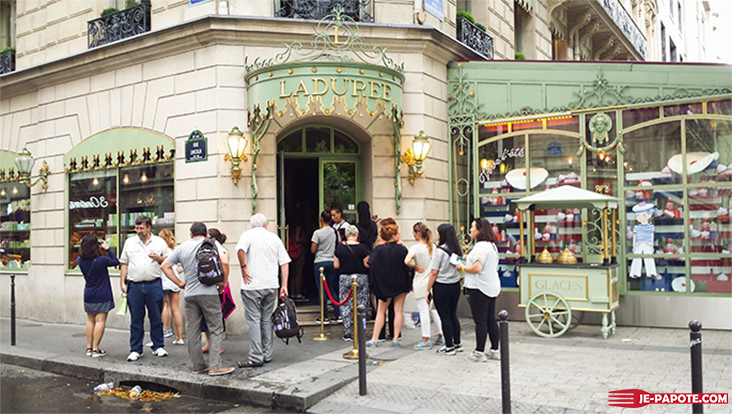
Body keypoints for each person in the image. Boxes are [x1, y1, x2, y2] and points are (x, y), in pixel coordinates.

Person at [161, 222, 235, 376]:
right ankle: (215, 366)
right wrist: (223, 283)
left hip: (190, 294)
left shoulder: (182, 247)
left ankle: (198, 365)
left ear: (191, 233)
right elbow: (225, 262)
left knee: (193, 331)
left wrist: (179, 282)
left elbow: (165, 266)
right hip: (209, 293)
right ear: (206, 234)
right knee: (215, 328)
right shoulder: (211, 244)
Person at [236, 214, 290, 368]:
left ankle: (256, 355)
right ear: (265, 225)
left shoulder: (247, 235)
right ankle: (267, 353)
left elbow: (240, 250)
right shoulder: (274, 238)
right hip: (271, 284)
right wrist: (284, 284)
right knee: (266, 319)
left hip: (251, 285)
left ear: (252, 225)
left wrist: (243, 267)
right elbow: (285, 262)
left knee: (253, 319)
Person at [120, 216, 171, 362]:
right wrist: (122, 282)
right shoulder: (130, 242)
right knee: (136, 319)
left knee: (156, 317)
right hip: (134, 285)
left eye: (141, 228)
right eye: (137, 228)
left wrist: (158, 258)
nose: (138, 231)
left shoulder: (159, 242)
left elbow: (168, 261)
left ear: (149, 228)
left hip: (153, 284)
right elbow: (124, 263)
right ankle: (136, 349)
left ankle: (158, 346)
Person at [457, 218, 500, 362]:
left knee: (480, 321)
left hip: (479, 287)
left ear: (480, 230)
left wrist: (462, 267)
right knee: (490, 319)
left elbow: (476, 268)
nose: (470, 230)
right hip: (490, 285)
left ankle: (479, 352)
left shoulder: (481, 247)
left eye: (473, 227)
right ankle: (494, 350)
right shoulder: (491, 246)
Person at [366, 220, 411, 347]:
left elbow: (371, 265)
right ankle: (396, 338)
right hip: (400, 282)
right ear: (393, 235)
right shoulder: (402, 249)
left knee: (381, 311)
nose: (399, 235)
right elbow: (408, 267)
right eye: (398, 233)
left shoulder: (378, 250)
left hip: (384, 284)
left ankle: (375, 338)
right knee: (398, 310)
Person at [77, 235, 119, 357]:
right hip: (102, 293)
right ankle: (96, 348)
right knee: (100, 321)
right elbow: (116, 261)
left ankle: (89, 347)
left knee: (90, 320)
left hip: (88, 293)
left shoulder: (80, 260)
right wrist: (107, 249)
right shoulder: (101, 260)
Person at [404, 222, 443, 351]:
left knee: (423, 310)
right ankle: (441, 334)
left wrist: (415, 266)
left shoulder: (415, 248)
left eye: (414, 233)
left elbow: (406, 261)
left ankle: (425, 338)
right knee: (434, 310)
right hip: (432, 281)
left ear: (418, 233)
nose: (413, 235)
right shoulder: (434, 247)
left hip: (421, 282)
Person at [427, 223, 463, 356]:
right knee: (453, 314)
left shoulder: (439, 251)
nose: (436, 235)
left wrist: (427, 289)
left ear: (442, 235)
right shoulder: (457, 249)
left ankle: (448, 346)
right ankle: (457, 343)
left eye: (438, 233)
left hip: (441, 286)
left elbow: (433, 272)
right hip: (454, 285)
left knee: (445, 317)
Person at [201, 228, 235, 355]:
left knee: (215, 317)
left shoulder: (219, 249)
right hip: (216, 285)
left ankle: (215, 345)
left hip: (217, 286)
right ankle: (210, 344)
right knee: (210, 317)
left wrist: (224, 283)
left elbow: (225, 264)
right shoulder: (215, 248)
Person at [334, 225, 370, 341]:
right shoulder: (363, 248)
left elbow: (336, 265)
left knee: (345, 305)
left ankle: (347, 332)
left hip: (345, 277)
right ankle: (361, 330)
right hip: (361, 277)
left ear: (345, 235)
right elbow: (366, 264)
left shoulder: (339, 248)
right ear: (356, 234)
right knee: (361, 304)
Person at [311, 210, 340, 324]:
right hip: (332, 261)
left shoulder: (317, 233)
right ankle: (338, 314)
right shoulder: (335, 232)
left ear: (321, 219)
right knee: (332, 288)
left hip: (320, 261)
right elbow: (338, 244)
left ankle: (324, 315)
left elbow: (313, 249)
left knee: (322, 289)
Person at [158, 229, 185, 346]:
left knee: (160, 309)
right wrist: (177, 272)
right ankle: (179, 337)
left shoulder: (160, 250)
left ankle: (160, 336)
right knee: (175, 309)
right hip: (174, 282)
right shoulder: (175, 250)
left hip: (163, 281)